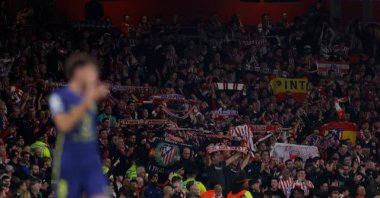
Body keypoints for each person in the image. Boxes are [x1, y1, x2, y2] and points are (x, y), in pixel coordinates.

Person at [49, 52, 110, 198]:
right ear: (79, 71)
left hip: (91, 161)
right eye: (92, 72)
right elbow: (64, 125)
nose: (95, 77)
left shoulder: (90, 98)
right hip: (70, 161)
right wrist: (89, 98)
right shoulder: (59, 96)